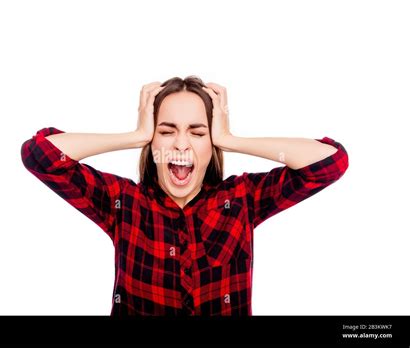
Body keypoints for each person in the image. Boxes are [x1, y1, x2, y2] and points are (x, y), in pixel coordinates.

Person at [20, 75, 349, 315]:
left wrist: (230, 139)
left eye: (198, 132)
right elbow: (40, 156)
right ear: (152, 143)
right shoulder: (123, 202)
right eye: (165, 131)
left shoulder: (243, 199)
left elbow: (330, 163)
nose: (180, 144)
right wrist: (135, 135)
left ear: (212, 143)